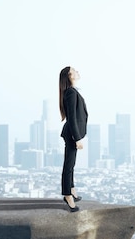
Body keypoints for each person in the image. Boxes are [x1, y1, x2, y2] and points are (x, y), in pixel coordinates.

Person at [59, 66, 88, 212]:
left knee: (72, 164)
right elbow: (71, 117)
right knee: (69, 165)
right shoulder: (70, 92)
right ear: (69, 76)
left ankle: (72, 190)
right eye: (74, 71)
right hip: (71, 134)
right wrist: (77, 138)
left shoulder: (72, 91)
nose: (78, 72)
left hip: (72, 133)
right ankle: (67, 195)